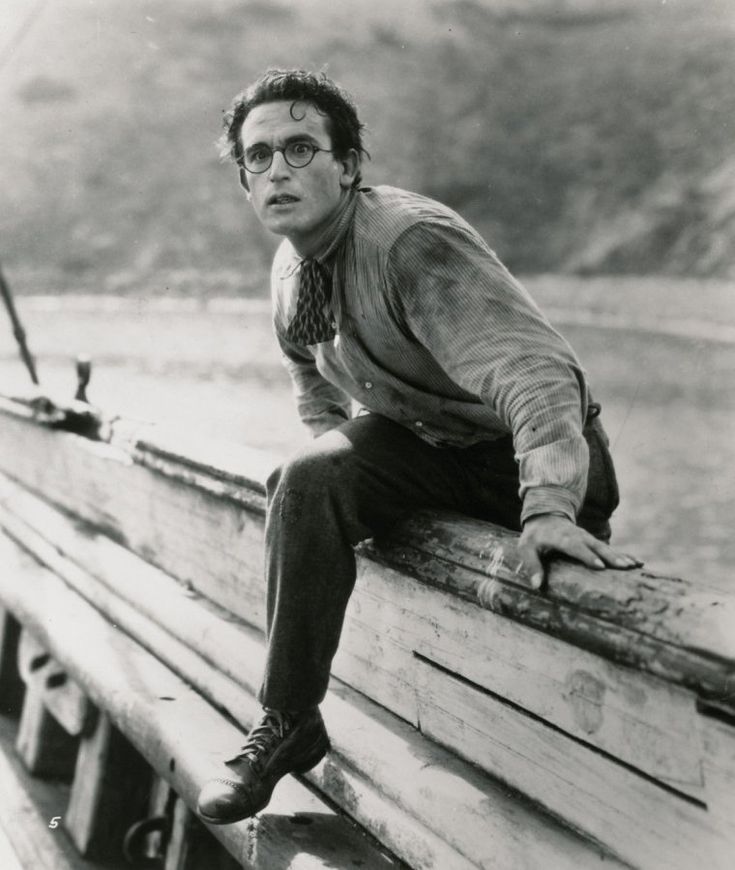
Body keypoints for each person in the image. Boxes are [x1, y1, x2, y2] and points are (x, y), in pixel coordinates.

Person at [196, 68, 642, 825]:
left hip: (526, 464)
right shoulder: (289, 267)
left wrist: (549, 507)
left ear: (347, 165)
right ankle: (290, 722)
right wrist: (343, 481)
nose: (278, 170)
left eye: (301, 149)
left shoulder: (408, 242)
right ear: (244, 182)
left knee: (314, 481)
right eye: (259, 157)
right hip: (431, 451)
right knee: (303, 479)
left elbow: (535, 376)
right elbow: (311, 380)